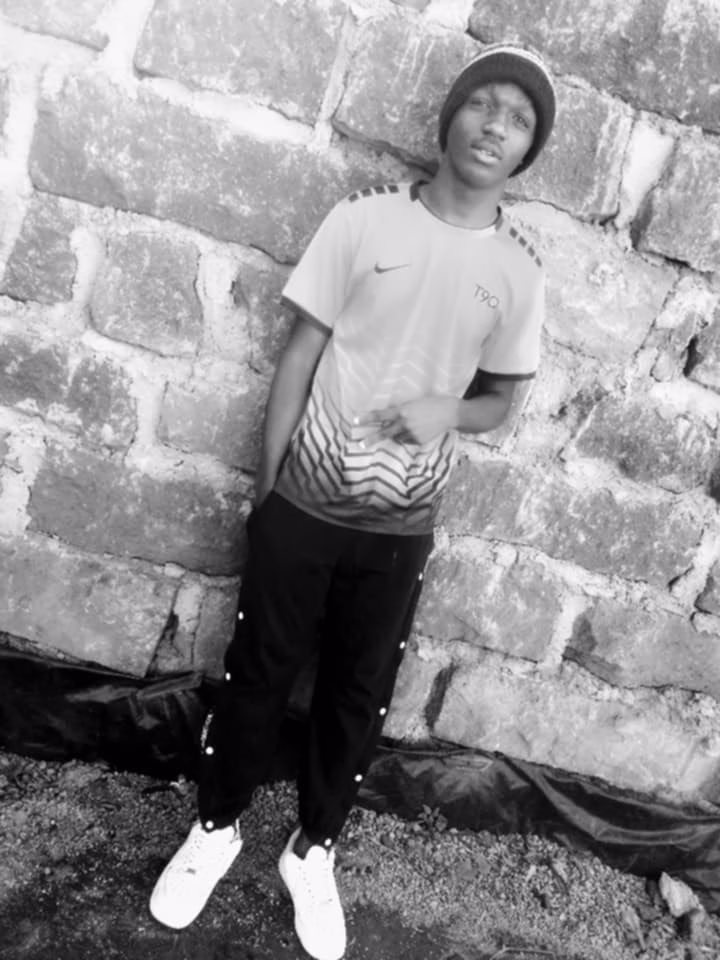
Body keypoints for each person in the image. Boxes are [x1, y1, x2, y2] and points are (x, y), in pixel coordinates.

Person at [149, 41, 556, 960]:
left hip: (402, 527)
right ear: (450, 116)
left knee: (358, 691)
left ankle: (314, 848)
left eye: (519, 119)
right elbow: (299, 355)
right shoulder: (365, 219)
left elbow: (501, 401)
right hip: (304, 503)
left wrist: (447, 409)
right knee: (257, 670)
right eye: (483, 104)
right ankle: (215, 828)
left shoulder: (518, 271)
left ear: (528, 151)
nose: (495, 125)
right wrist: (270, 492)